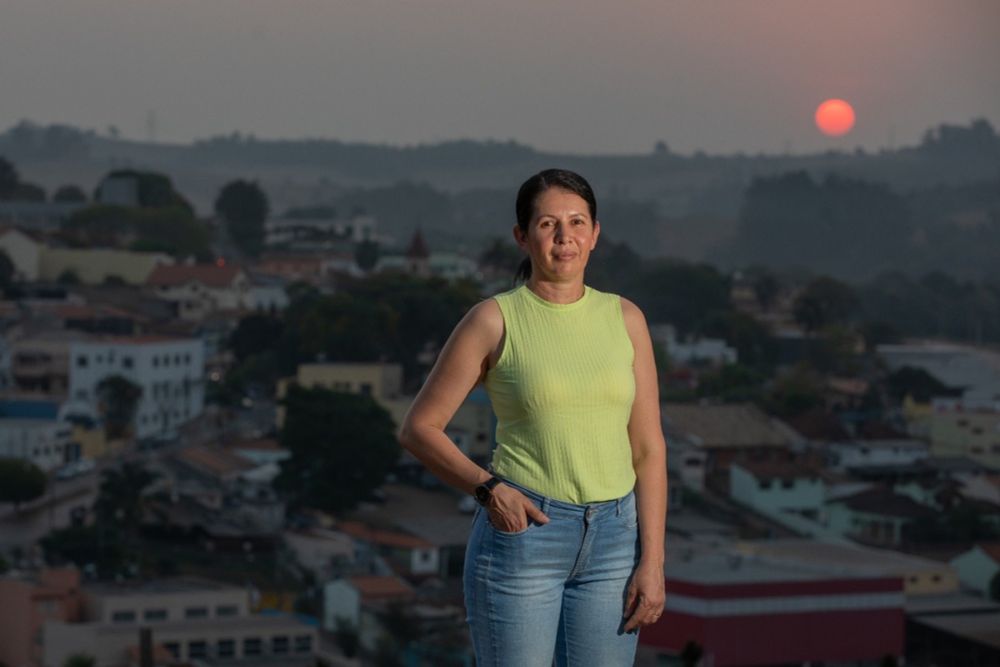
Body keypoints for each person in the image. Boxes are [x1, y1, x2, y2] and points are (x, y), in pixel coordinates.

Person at [398, 168, 667, 666]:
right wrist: (487, 489)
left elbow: (648, 449)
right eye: (547, 224)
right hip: (526, 538)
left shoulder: (626, 319)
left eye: (577, 222)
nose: (565, 238)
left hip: (614, 541)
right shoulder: (493, 319)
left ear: (595, 233)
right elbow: (419, 429)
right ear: (522, 237)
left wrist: (653, 561)